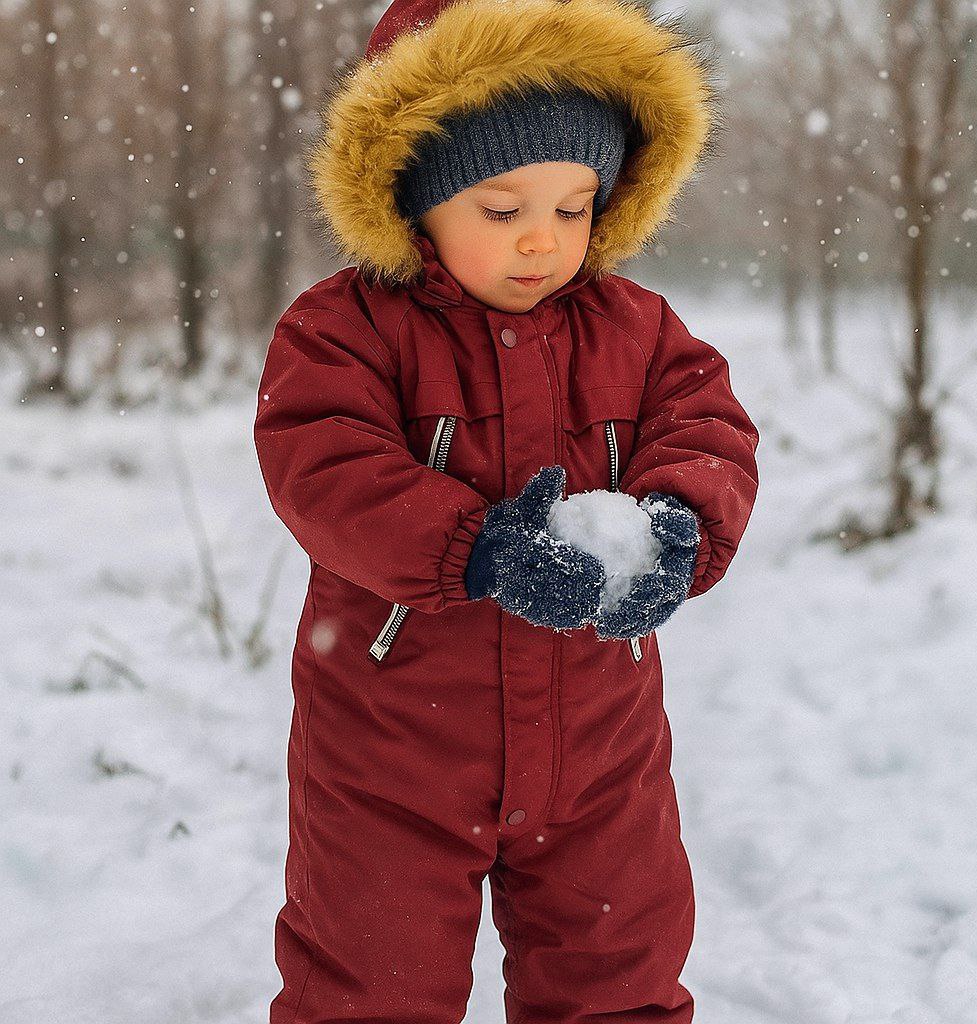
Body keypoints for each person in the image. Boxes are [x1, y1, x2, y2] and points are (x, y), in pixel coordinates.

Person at [253, 1, 760, 1021]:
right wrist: (473, 545)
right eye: (502, 209)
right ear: (413, 196)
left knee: (618, 976)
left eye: (574, 208)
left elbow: (707, 428)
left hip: (598, 746)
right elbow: (323, 464)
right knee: (369, 984)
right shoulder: (344, 331)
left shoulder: (637, 329)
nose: (544, 240)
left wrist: (679, 526)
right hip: (391, 749)